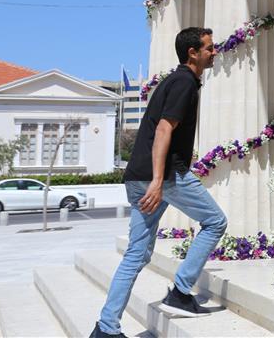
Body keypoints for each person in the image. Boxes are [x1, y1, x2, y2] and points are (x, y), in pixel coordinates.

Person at [91, 27, 226, 338]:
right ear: (193, 52)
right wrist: (157, 181)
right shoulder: (183, 83)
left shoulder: (175, 81)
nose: (214, 52)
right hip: (165, 176)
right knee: (216, 221)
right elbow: (164, 130)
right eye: (209, 48)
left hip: (140, 176)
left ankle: (105, 328)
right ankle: (180, 289)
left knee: (136, 254)